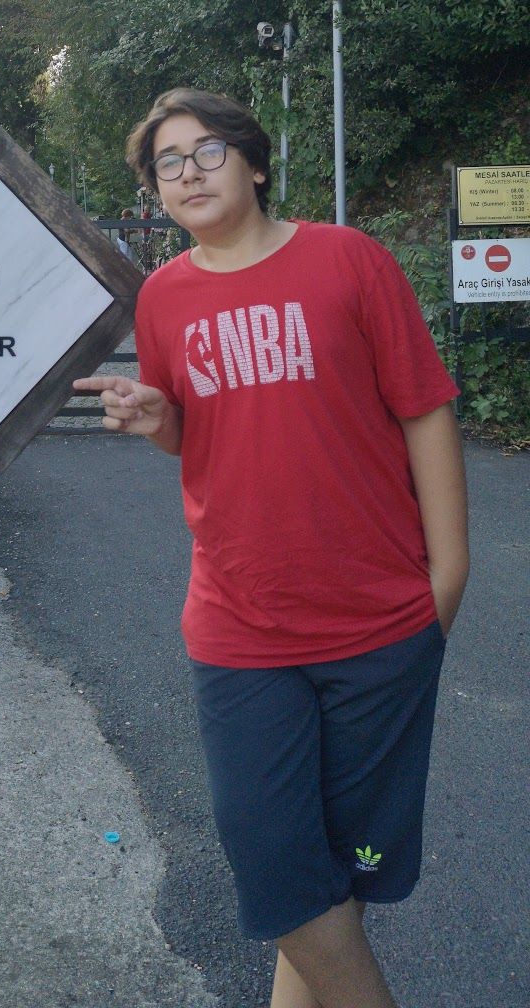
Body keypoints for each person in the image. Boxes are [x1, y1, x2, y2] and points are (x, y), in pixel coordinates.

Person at [74, 88, 468, 1008]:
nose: (187, 172)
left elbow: (424, 408)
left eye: (206, 151)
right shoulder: (164, 297)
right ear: (157, 193)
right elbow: (190, 433)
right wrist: (157, 417)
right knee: (276, 868)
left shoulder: (349, 261)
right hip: (241, 628)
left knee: (342, 872)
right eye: (166, 163)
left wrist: (447, 581)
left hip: (380, 630)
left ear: (253, 163)